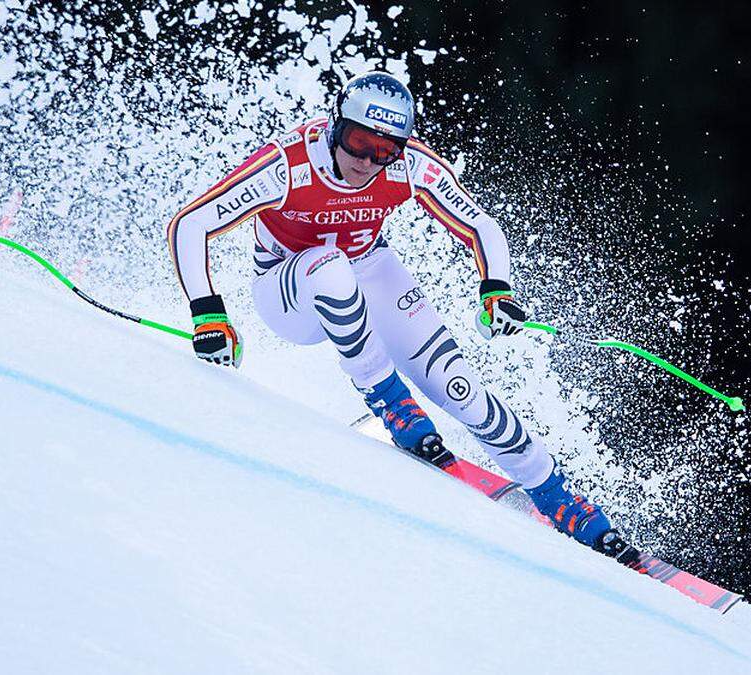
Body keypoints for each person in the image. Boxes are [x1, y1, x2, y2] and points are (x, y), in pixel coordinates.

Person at [166, 71, 637, 563]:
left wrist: (495, 289)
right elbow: (190, 223)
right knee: (329, 268)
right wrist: (208, 315)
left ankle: (556, 494)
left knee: (461, 389)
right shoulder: (288, 166)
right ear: (335, 126)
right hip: (289, 291)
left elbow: (480, 223)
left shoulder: (408, 167)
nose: (367, 161)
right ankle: (387, 398)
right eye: (358, 141)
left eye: (384, 150)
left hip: (367, 266)